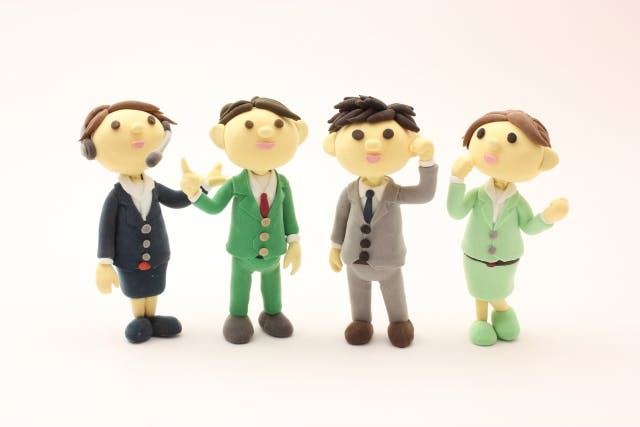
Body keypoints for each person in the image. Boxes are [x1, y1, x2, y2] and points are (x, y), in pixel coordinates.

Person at [180, 97, 307, 344]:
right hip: (242, 254)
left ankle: (272, 313)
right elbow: (214, 207)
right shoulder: (236, 183)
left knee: (273, 286)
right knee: (240, 287)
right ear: (221, 138)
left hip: (273, 252)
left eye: (278, 126)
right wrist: (194, 193)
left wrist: (294, 243)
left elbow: (289, 215)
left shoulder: (283, 183)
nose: (266, 132)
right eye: (248, 126)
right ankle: (238, 315)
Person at [324, 95, 438, 348]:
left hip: (389, 261)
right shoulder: (349, 192)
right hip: (354, 260)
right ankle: (361, 322)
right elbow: (340, 219)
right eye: (358, 136)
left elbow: (425, 194)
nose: (373, 145)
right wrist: (335, 247)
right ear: (333, 145)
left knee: (394, 294)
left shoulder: (395, 193)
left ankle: (399, 322)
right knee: (358, 294)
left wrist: (427, 161)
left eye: (387, 136)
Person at [447, 110, 569, 346]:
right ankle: (480, 321)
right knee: (479, 290)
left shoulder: (518, 202)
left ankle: (502, 311)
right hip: (475, 256)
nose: (493, 144)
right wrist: (456, 180)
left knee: (498, 291)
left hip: (506, 259)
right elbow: (456, 212)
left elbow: (530, 227)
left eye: (512, 140)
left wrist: (548, 217)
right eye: (482, 134)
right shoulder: (477, 195)